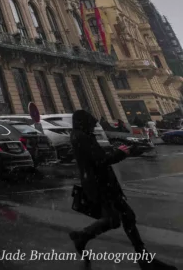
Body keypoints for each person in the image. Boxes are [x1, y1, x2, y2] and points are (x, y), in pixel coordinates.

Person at [68, 109, 158, 266]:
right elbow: (100, 160)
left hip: (102, 183)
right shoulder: (81, 137)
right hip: (101, 185)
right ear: (85, 122)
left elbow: (97, 157)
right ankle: (82, 236)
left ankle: (142, 255)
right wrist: (119, 153)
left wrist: (120, 152)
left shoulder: (80, 135)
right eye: (92, 122)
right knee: (115, 219)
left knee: (125, 217)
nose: (95, 125)